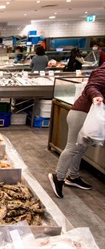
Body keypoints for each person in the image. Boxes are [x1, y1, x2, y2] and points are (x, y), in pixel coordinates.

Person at [48, 63, 105, 198]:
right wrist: (96, 96)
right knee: (73, 147)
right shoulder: (103, 70)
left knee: (81, 147)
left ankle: (73, 177)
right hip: (82, 113)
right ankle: (58, 177)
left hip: (90, 115)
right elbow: (92, 86)